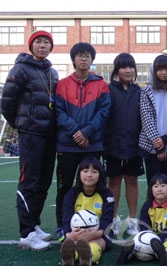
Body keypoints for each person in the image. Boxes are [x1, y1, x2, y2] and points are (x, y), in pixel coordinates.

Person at [1, 30, 58, 251]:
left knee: (43, 183)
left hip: (49, 135)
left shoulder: (52, 72)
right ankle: (26, 233)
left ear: (51, 47)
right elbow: (7, 102)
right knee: (29, 182)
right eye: (38, 42)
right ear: (32, 45)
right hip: (31, 135)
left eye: (46, 42)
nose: (42, 46)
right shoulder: (20, 69)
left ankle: (34, 225)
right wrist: (21, 124)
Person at [55, 42, 111, 240]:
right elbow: (59, 112)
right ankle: (63, 228)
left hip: (92, 143)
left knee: (97, 185)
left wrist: (86, 132)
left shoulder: (102, 85)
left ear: (92, 59)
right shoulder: (61, 85)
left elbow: (104, 113)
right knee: (65, 187)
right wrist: (77, 133)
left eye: (87, 55)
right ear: (73, 59)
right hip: (67, 145)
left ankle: (100, 227)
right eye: (80, 55)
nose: (84, 59)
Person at [103, 53, 144, 236]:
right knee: (113, 181)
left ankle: (133, 220)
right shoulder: (108, 90)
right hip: (112, 145)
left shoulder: (140, 92)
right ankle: (113, 219)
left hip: (134, 145)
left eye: (131, 67)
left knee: (132, 180)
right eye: (123, 67)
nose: (128, 70)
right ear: (116, 70)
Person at [138, 55, 167, 190]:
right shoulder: (146, 92)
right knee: (154, 187)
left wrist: (165, 139)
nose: (163, 73)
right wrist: (159, 146)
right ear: (154, 71)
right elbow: (146, 119)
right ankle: (152, 211)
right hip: (151, 147)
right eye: (160, 69)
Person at [60, 156, 114, 266]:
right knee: (73, 242)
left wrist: (96, 233)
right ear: (79, 173)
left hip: (100, 233)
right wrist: (69, 235)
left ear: (100, 175)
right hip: (76, 233)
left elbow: (107, 219)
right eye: (85, 171)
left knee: (97, 242)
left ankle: (87, 258)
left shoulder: (107, 194)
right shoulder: (71, 194)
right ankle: (69, 257)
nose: (89, 175)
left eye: (94, 172)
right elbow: (66, 218)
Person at [117, 173, 167, 266]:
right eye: (156, 186)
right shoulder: (147, 206)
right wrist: (149, 237)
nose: (159, 189)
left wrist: (159, 240)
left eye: (163, 186)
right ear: (151, 190)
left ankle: (163, 254)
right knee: (139, 244)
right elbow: (143, 224)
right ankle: (127, 254)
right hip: (150, 235)